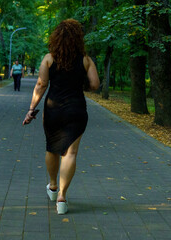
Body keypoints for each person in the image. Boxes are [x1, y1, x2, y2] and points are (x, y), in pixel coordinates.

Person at [22, 19, 100, 215]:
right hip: (76, 110)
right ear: (78, 38)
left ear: (57, 37)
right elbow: (95, 84)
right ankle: (62, 197)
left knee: (52, 148)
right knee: (70, 153)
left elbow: (41, 85)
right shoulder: (86, 60)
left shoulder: (49, 58)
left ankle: (53, 184)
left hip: (53, 109)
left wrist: (31, 109)